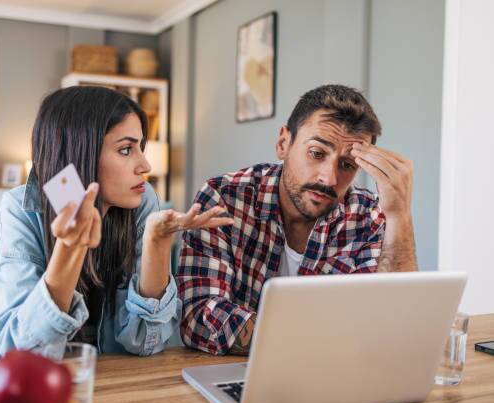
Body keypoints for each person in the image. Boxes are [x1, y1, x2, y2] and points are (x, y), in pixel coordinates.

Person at [0, 86, 232, 359]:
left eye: (140, 147)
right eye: (126, 149)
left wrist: (157, 242)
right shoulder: (20, 209)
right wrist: (70, 248)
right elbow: (19, 356)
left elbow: (146, 343)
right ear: (78, 152)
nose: (145, 165)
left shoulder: (142, 199)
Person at [178, 84, 418, 356]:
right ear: (283, 143)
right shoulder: (225, 198)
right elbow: (198, 314)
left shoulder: (366, 216)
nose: (328, 178)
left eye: (347, 165)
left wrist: (399, 215)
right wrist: (317, 340)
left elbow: (394, 327)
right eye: (316, 153)